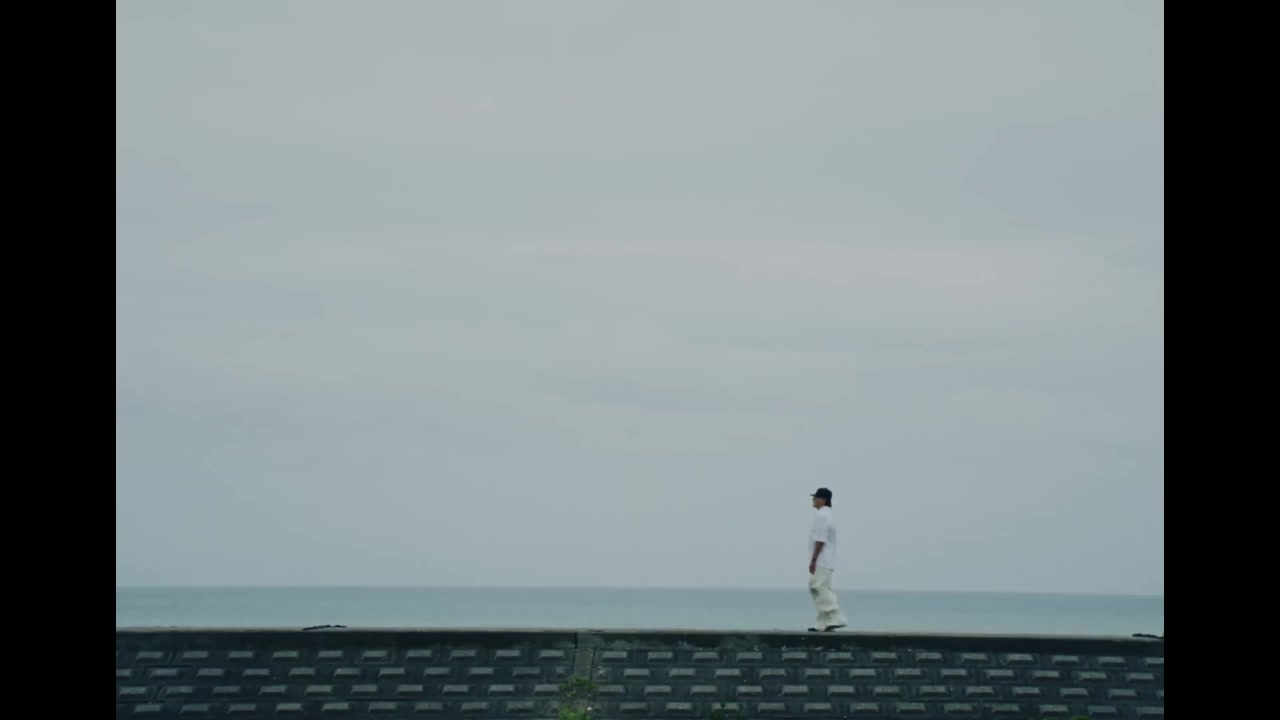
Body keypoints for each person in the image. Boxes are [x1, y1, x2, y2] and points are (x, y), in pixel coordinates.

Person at [807, 487, 848, 632]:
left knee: (819, 587)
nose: (813, 500)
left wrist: (813, 559)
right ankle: (822, 623)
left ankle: (836, 616)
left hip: (823, 559)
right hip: (826, 559)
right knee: (817, 587)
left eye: (816, 497)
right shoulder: (827, 515)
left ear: (823, 500)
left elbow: (820, 539)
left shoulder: (822, 516)